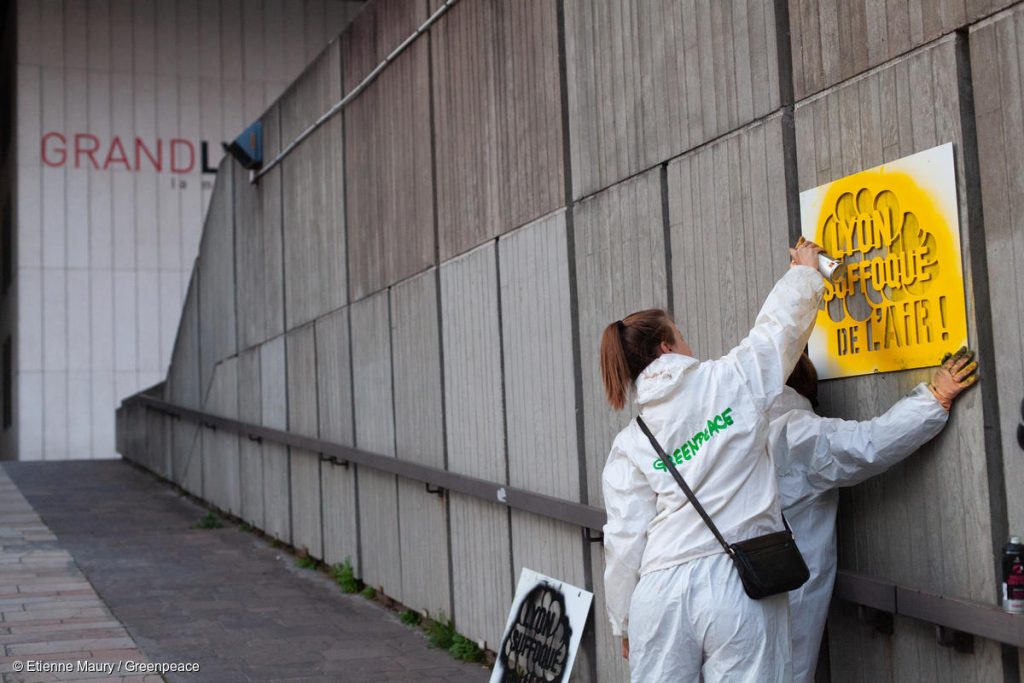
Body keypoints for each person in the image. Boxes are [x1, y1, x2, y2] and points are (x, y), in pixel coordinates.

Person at [599, 239, 825, 682]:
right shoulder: (731, 380)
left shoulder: (631, 442)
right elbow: (777, 330)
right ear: (666, 348)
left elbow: (624, 540)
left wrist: (623, 620)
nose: (688, 342)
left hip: (659, 594)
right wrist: (804, 271)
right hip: (739, 585)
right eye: (681, 335)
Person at [770, 349, 979, 683]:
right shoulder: (792, 431)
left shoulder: (733, 432)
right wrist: (934, 398)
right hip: (775, 606)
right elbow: (865, 445)